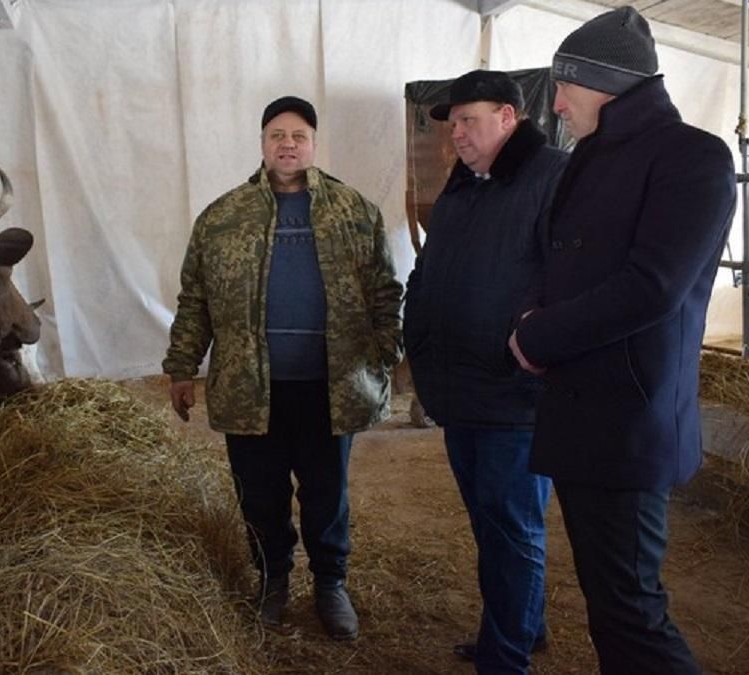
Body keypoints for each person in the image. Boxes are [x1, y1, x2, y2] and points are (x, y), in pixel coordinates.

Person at [508, 7, 736, 674]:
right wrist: (531, 317)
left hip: (628, 417)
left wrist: (539, 336)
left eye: (564, 86)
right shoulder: (590, 158)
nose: (556, 103)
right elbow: (556, 259)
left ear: (603, 83)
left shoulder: (693, 158)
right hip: (581, 413)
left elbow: (652, 287)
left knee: (632, 608)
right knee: (609, 602)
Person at [162, 95, 403, 641]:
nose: (287, 144)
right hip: (250, 387)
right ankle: (272, 581)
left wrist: (384, 353)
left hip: (327, 386)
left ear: (313, 144)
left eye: (298, 135)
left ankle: (330, 585)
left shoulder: (354, 211)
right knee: (260, 495)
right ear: (262, 143)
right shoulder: (223, 218)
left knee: (326, 495)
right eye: (277, 135)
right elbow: (195, 300)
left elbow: (385, 292)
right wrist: (181, 367)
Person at [403, 70, 567, 674]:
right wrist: (417, 332)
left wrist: (529, 346)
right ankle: (522, 626)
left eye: (468, 121)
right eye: (452, 125)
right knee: (491, 522)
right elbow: (431, 267)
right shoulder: (464, 185)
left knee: (511, 526)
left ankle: (505, 657)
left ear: (507, 117)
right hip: (460, 389)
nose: (457, 135)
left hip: (514, 394)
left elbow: (569, 280)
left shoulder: (552, 177)